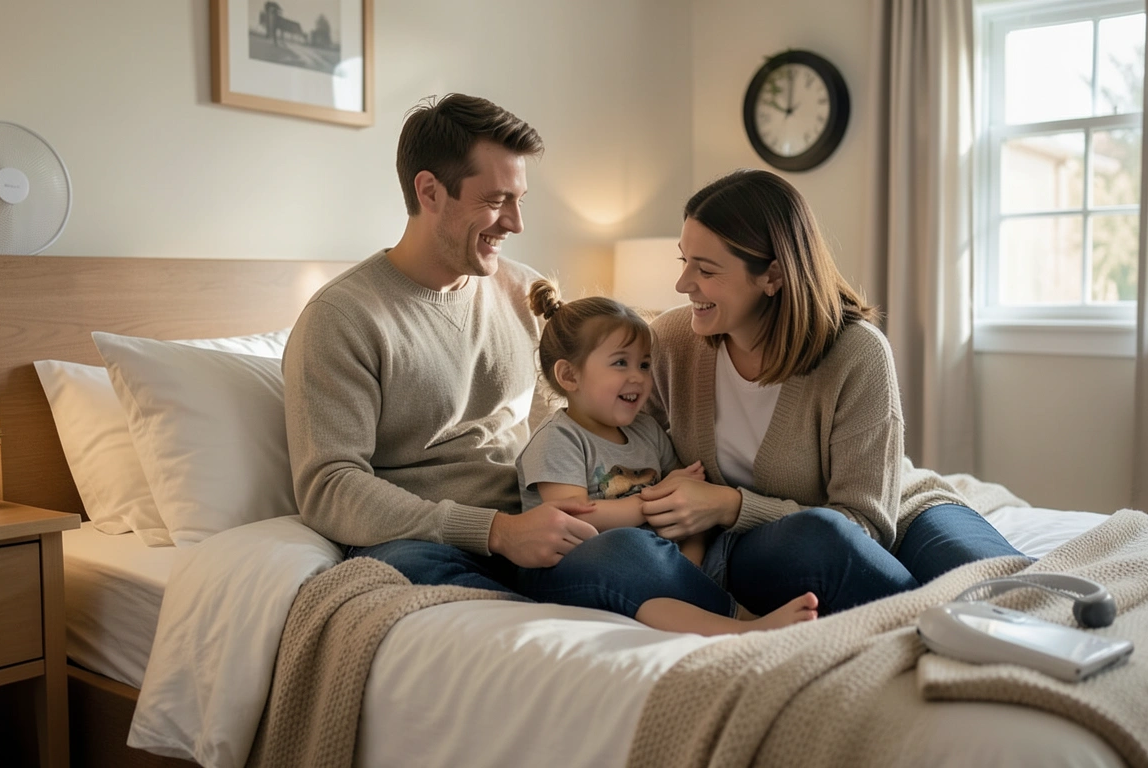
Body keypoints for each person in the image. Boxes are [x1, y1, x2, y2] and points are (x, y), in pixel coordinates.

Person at [283, 93, 739, 623]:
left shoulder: (525, 292)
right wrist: (495, 533)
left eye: (519, 199)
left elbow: (576, 424)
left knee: (636, 550)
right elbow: (329, 487)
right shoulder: (342, 317)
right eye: (498, 200)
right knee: (427, 588)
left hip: (538, 529)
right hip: (425, 539)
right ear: (429, 191)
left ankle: (742, 623)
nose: (516, 223)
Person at [641, 169, 1028, 617]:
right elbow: (618, 445)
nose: (683, 283)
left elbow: (865, 522)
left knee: (1009, 591)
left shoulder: (857, 352)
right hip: (780, 545)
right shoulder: (670, 341)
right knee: (815, 542)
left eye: (705, 269)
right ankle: (937, 625)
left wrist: (733, 505)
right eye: (683, 261)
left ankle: (953, 623)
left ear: (773, 275)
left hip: (896, 512)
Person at [516, 278, 818, 634]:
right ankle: (742, 624)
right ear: (569, 375)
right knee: (624, 546)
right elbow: (573, 518)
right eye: (620, 363)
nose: (639, 377)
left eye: (644, 365)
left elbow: (689, 504)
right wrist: (652, 504)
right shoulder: (559, 439)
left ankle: (726, 614)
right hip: (573, 569)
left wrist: (687, 563)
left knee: (725, 544)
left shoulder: (648, 431)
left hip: (659, 562)